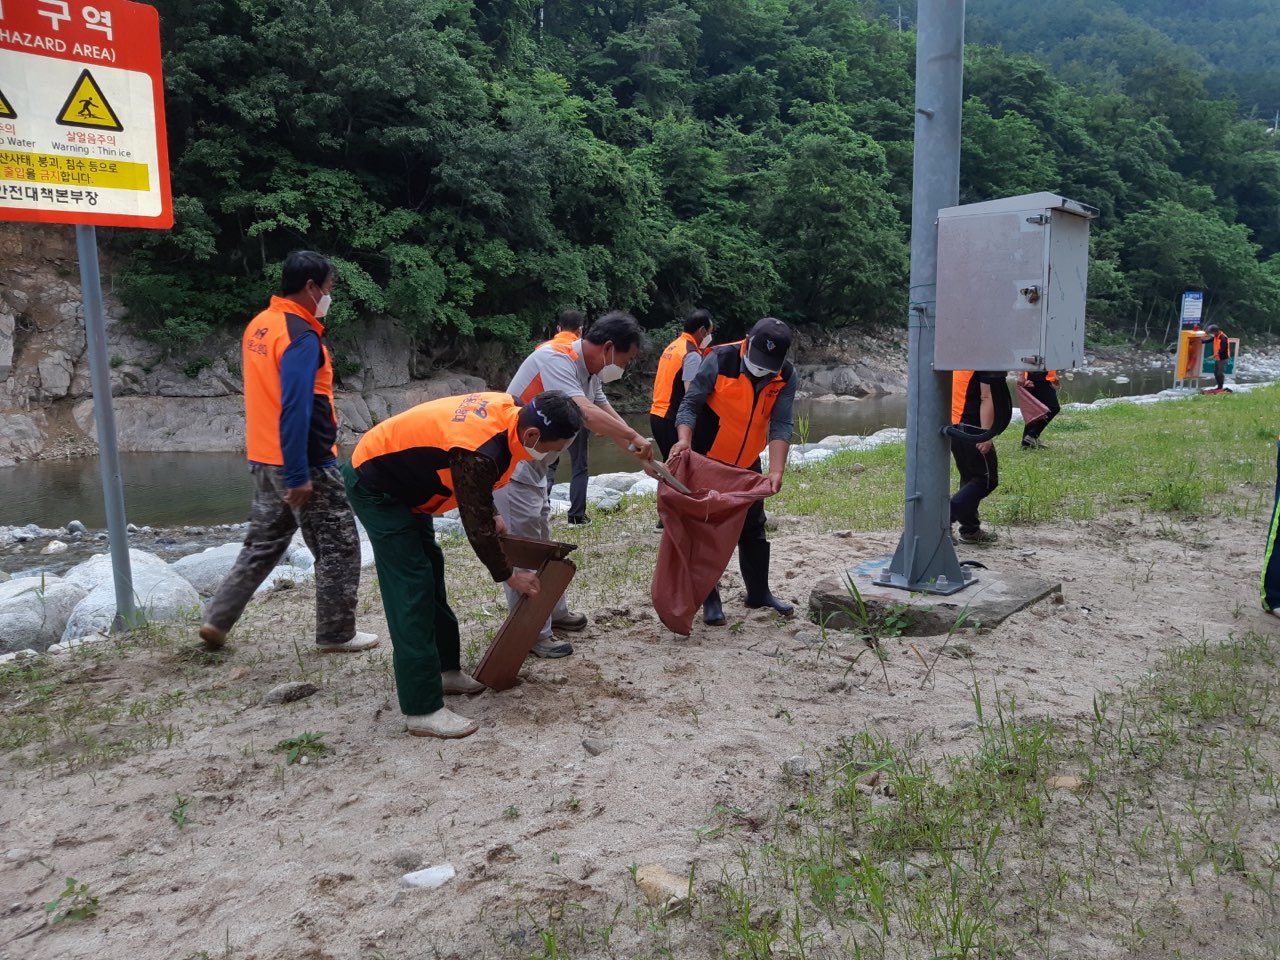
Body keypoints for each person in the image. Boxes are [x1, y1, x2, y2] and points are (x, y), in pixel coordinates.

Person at [343, 390, 584, 739]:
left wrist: (493, 511)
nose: (550, 455)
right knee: (411, 586)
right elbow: (477, 528)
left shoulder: (512, 414)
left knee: (431, 566)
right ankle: (422, 710)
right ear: (533, 435)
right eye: (552, 448)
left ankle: (445, 671)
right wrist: (509, 574)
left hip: (410, 484)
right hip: (377, 483)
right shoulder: (479, 450)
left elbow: (477, 486)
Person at [200, 251, 377, 654]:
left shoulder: (260, 326)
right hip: (306, 461)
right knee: (338, 546)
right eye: (328, 288)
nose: (329, 296)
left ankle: (217, 619)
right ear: (311, 287)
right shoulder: (301, 336)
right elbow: (296, 405)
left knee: (263, 542)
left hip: (263, 458)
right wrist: (299, 473)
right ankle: (336, 634)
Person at [497, 311, 654, 658]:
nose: (624, 367)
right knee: (524, 549)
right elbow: (584, 412)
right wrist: (634, 436)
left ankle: (553, 611)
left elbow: (602, 411)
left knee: (541, 540)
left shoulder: (590, 370)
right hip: (510, 464)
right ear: (609, 347)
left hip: (535, 465)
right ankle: (534, 633)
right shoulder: (556, 359)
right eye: (625, 359)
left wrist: (640, 454)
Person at [671, 317, 797, 626]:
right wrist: (684, 441)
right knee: (705, 529)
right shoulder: (719, 359)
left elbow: (781, 424)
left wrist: (776, 470)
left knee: (753, 527)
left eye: (769, 364)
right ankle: (709, 598)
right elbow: (690, 404)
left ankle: (758, 592)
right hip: (708, 459)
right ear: (747, 341)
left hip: (747, 464)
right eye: (758, 359)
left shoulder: (785, 375)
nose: (761, 368)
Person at [543, 311, 591, 525]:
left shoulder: (544, 349)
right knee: (579, 466)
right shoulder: (581, 353)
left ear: (558, 329)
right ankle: (576, 516)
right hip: (578, 414)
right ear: (580, 330)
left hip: (548, 413)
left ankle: (541, 508)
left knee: (547, 464)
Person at [950, 370, 1006, 545]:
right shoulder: (982, 359)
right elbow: (986, 396)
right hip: (973, 428)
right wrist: (985, 434)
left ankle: (970, 529)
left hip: (956, 427)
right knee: (986, 480)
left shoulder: (957, 358)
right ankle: (942, 519)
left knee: (969, 479)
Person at [650, 309, 715, 460]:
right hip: (673, 419)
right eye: (710, 332)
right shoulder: (691, 354)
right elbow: (692, 394)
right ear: (702, 331)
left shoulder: (673, 346)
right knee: (682, 467)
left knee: (672, 465)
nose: (710, 337)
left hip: (657, 415)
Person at [1020, 370, 1060, 449]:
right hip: (1039, 377)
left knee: (1035, 411)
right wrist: (1021, 374)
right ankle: (1032, 435)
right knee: (1054, 408)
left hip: (1036, 376)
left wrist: (1053, 377)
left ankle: (1026, 443)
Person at [1203, 324, 1230, 390]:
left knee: (1220, 373)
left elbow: (1222, 350)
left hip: (1223, 358)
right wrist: (1200, 341)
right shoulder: (1216, 336)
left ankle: (1220, 387)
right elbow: (1209, 340)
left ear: (1215, 331)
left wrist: (1213, 356)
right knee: (1216, 373)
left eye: (1212, 332)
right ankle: (1218, 387)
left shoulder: (1223, 338)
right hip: (1218, 358)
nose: (1212, 334)